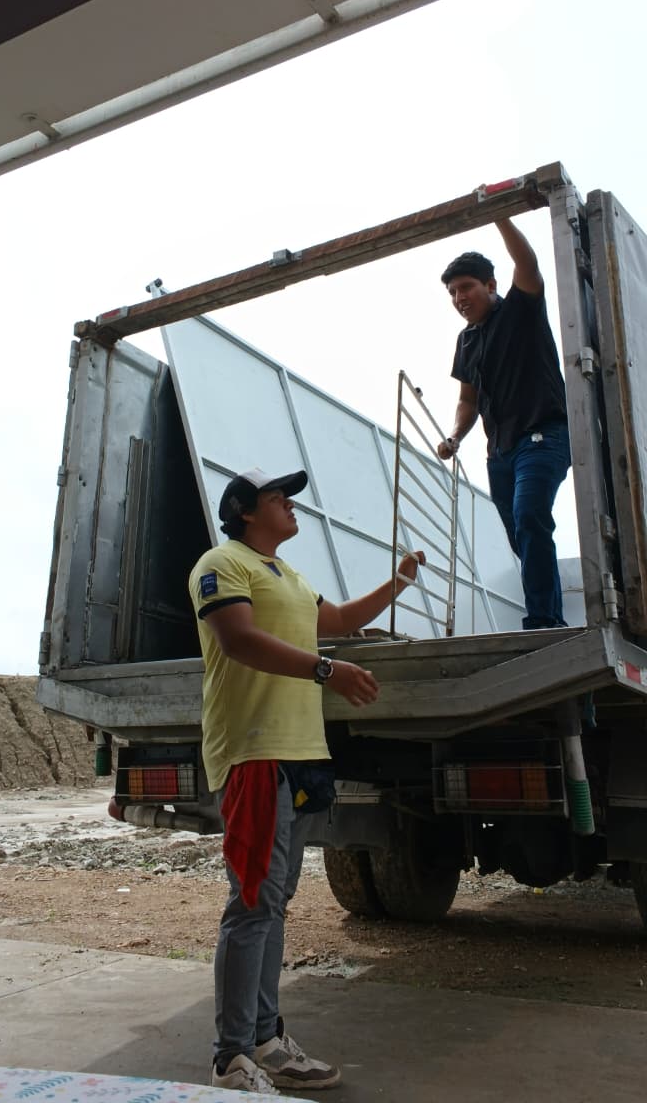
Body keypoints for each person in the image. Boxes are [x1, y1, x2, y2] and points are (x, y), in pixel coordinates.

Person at [188, 466, 425, 1095]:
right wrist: (327, 671)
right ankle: (231, 1057)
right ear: (244, 511)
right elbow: (238, 640)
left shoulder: (288, 576)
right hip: (254, 752)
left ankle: (266, 1041)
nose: (292, 506)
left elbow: (340, 619)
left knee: (272, 902)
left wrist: (399, 581)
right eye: (278, 498)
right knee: (253, 903)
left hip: (299, 757)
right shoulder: (222, 563)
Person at [437, 217, 571, 630]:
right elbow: (468, 399)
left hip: (543, 435)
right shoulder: (466, 340)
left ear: (491, 285)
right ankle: (552, 615)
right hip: (500, 453)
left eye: (466, 287)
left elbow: (527, 264)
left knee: (530, 516)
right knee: (518, 534)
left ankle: (544, 621)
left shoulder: (520, 309)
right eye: (452, 292)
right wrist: (455, 436)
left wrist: (499, 213)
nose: (459, 297)